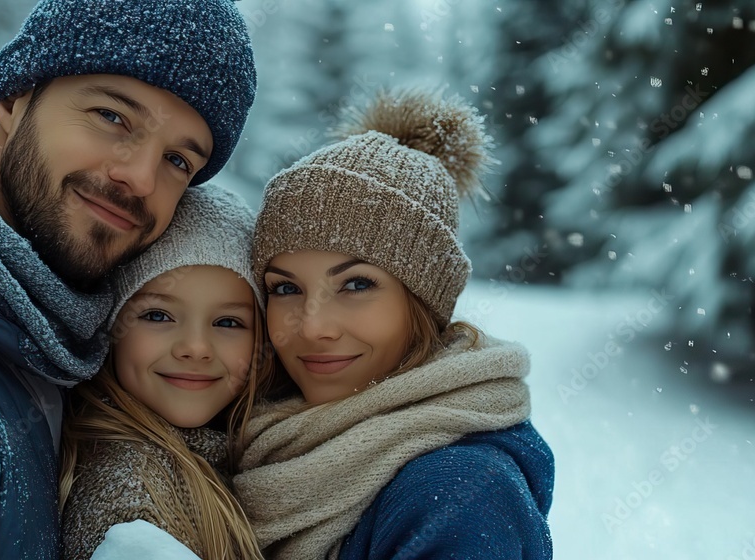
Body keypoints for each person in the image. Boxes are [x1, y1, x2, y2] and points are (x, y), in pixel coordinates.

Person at [0, 0, 255, 556]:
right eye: (112, 117)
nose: (140, 178)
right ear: (13, 99)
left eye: (178, 161)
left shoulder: (60, 344)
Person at [233, 89, 555, 559]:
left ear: (423, 301)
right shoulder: (262, 438)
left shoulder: (458, 492)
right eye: (285, 288)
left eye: (357, 285)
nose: (312, 327)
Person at [60, 185, 268, 560]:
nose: (196, 348)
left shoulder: (229, 455)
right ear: (113, 331)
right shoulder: (132, 505)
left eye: (228, 322)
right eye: (158, 315)